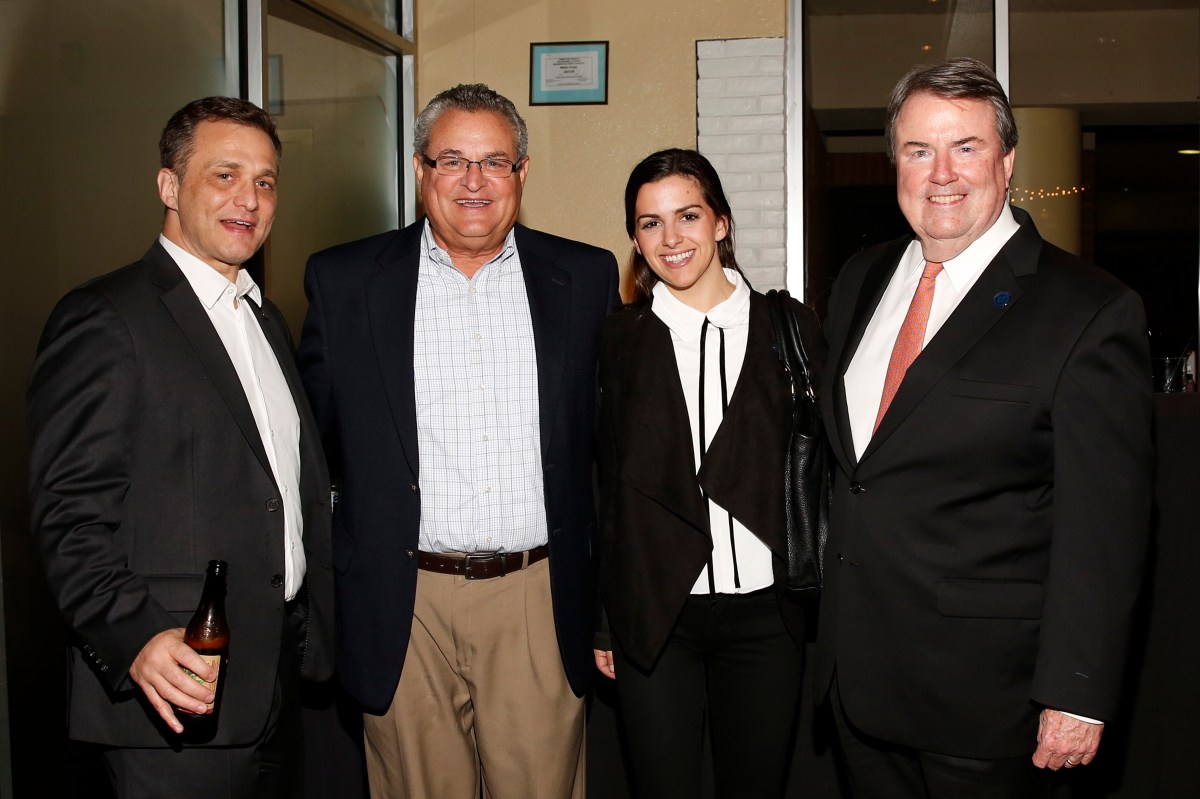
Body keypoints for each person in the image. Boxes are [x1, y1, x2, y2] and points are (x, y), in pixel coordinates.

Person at [815, 57, 1153, 797]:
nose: (941, 174)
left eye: (965, 147)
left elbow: (1106, 527)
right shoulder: (860, 279)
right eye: (918, 150)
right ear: (894, 163)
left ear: (1007, 161)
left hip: (990, 699)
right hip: (857, 685)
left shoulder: (1088, 309)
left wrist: (1078, 692)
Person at [297, 83, 620, 798]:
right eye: (452, 160)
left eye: (494, 162)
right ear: (420, 170)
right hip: (401, 603)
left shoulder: (585, 276)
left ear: (521, 174)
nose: (474, 181)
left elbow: (612, 454)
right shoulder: (343, 281)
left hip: (537, 599)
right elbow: (305, 454)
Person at [26, 96, 334, 798]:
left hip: (273, 682)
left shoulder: (264, 317)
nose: (249, 199)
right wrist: (135, 635)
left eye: (264, 181)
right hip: (174, 690)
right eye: (225, 175)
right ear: (169, 186)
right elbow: (67, 514)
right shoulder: (107, 317)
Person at [592, 148, 822, 798]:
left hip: (767, 617)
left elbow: (822, 471)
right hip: (657, 617)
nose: (671, 238)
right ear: (636, 238)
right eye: (650, 223)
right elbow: (605, 490)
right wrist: (606, 619)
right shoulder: (619, 341)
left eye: (688, 215)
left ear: (721, 222)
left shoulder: (788, 326)